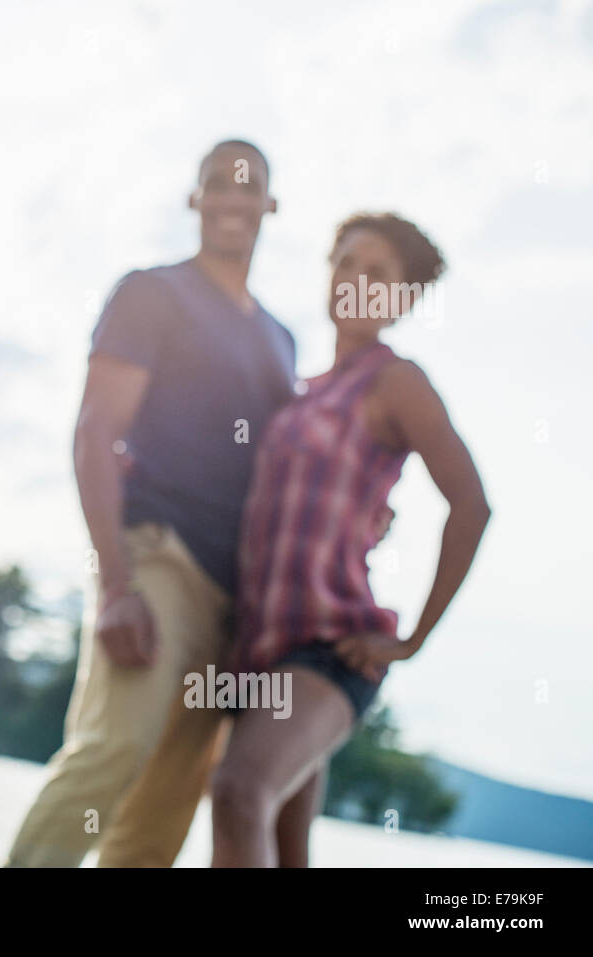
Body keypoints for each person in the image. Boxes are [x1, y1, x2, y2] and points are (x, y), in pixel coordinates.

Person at [4, 140, 297, 867]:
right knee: (114, 752)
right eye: (216, 185)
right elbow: (96, 429)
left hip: (238, 605)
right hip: (157, 557)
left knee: (164, 811)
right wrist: (118, 585)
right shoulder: (151, 293)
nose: (232, 198)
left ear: (270, 205)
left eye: (248, 185)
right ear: (194, 201)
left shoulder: (282, 340)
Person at [208, 212, 490, 866]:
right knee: (283, 843)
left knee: (237, 791)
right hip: (258, 654)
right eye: (346, 262)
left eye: (379, 273)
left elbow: (471, 504)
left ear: (405, 299)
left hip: (330, 651)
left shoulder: (397, 381)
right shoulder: (300, 394)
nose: (355, 280)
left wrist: (410, 639)